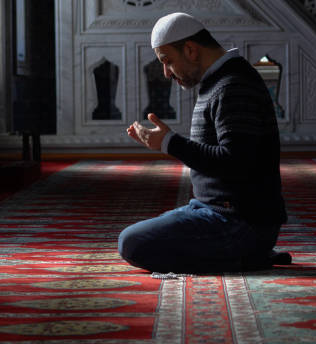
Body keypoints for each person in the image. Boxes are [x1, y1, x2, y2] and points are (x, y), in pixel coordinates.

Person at [118, 12, 289, 273]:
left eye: (167, 61)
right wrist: (166, 142)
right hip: (214, 211)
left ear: (190, 50)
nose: (166, 73)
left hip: (241, 222)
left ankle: (251, 255)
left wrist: (169, 143)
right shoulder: (219, 82)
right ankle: (248, 254)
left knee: (133, 243)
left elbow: (235, 162)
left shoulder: (234, 86)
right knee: (146, 232)